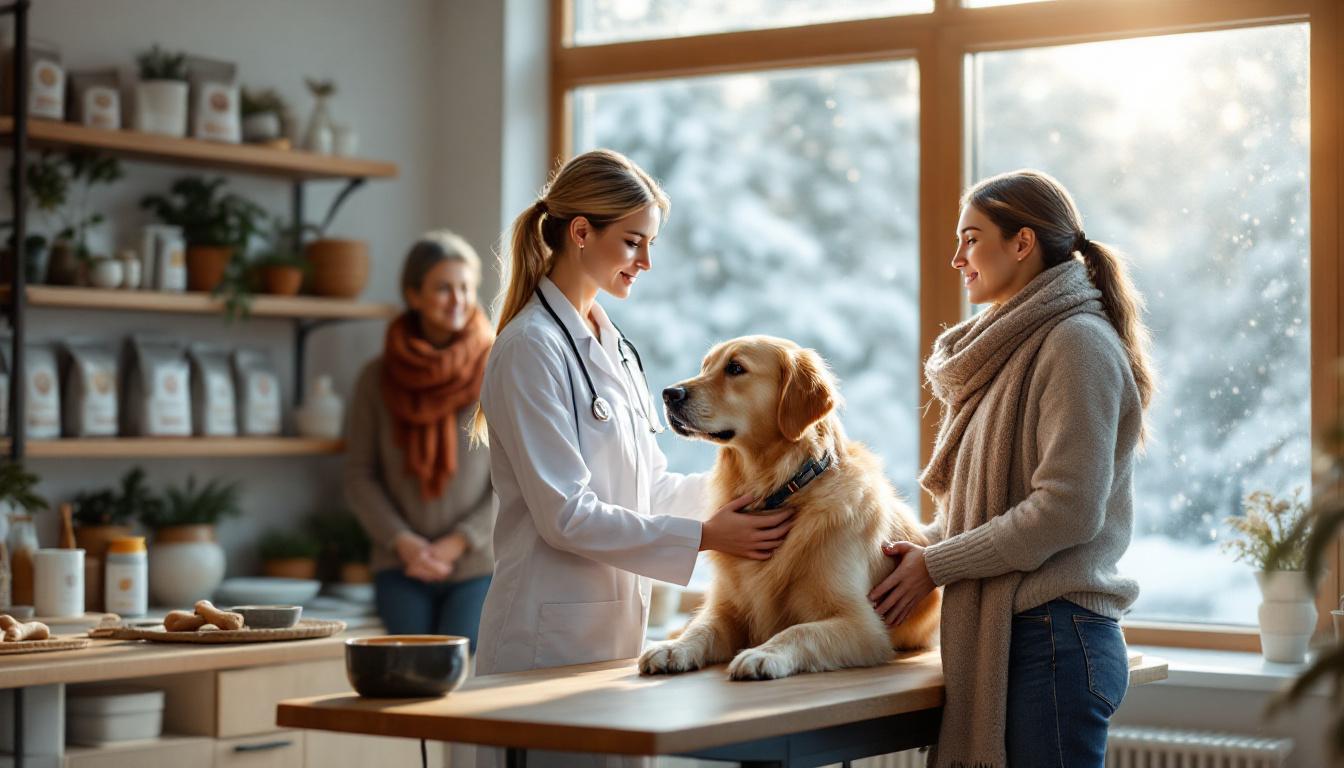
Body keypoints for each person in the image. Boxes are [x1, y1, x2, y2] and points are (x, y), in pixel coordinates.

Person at [472, 149, 795, 767]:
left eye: (649, 244)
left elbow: (649, 485)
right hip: (543, 647)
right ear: (581, 232)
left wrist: (759, 494)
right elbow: (564, 515)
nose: (645, 262)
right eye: (633, 242)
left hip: (613, 644)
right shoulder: (528, 349)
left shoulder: (614, 348)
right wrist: (706, 536)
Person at [869, 169, 1154, 767]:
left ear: (1022, 243)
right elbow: (983, 510)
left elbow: (1067, 511)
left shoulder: (1076, 343)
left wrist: (936, 565)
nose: (956, 257)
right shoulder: (1016, 346)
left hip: (1055, 639)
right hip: (1028, 638)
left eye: (971, 238)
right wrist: (902, 554)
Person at [344, 230, 496, 648]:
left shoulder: (497, 370)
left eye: (466, 287)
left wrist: (457, 542)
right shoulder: (376, 379)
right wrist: (405, 543)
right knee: (406, 672)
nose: (458, 299)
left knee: (457, 677)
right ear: (413, 295)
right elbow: (360, 475)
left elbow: (515, 475)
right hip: (400, 565)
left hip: (476, 563)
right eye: (443, 288)